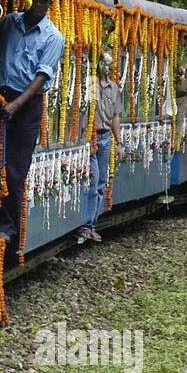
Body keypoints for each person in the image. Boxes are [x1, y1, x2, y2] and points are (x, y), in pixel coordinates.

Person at [0, 0, 66, 248]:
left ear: (50, 4)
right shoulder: (9, 22)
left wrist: (16, 105)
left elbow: (40, 78)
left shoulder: (53, 37)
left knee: (14, 170)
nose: (38, 2)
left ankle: (8, 230)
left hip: (27, 105)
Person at [79, 51, 124, 243]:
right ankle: (85, 224)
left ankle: (91, 225)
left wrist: (119, 142)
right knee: (93, 178)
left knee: (101, 181)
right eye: (105, 63)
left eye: (110, 64)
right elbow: (83, 110)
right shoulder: (90, 84)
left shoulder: (114, 88)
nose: (108, 67)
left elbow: (115, 116)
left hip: (106, 138)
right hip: (91, 137)